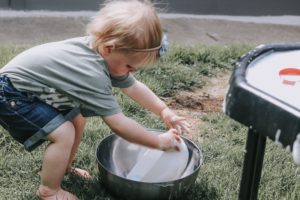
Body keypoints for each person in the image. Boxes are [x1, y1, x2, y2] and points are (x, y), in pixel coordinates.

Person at [0, 0, 191, 199]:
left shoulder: (102, 51)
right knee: (64, 133)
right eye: (129, 66)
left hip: (31, 89)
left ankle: (63, 167)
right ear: (109, 48)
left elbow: (133, 87)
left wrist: (163, 110)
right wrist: (157, 142)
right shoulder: (91, 73)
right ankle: (49, 190)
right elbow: (119, 124)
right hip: (11, 93)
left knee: (77, 118)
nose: (129, 72)